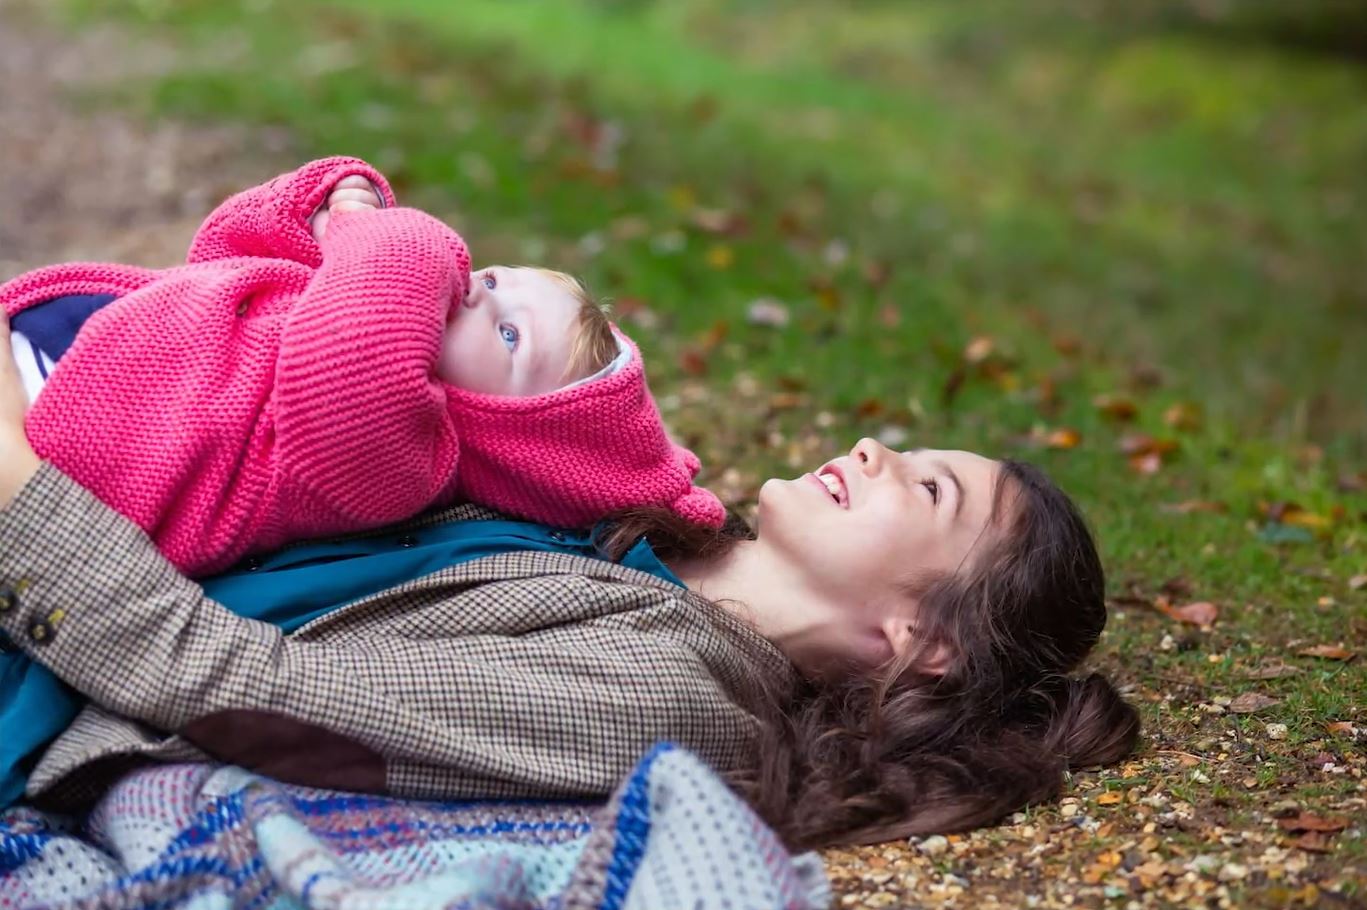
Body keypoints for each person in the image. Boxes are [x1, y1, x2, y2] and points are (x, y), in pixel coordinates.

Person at [0, 314, 1138, 849]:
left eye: (929, 491)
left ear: (923, 640)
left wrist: (14, 475)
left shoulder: (672, 701)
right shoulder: (613, 515)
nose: (882, 450)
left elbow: (243, 688)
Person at [0, 157, 724, 578]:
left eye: (508, 337)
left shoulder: (403, 458)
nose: (472, 289)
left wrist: (398, 234)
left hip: (55, 452)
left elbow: (374, 306)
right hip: (60, 356)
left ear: (508, 425)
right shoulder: (360, 292)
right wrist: (329, 204)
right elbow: (226, 244)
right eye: (498, 281)